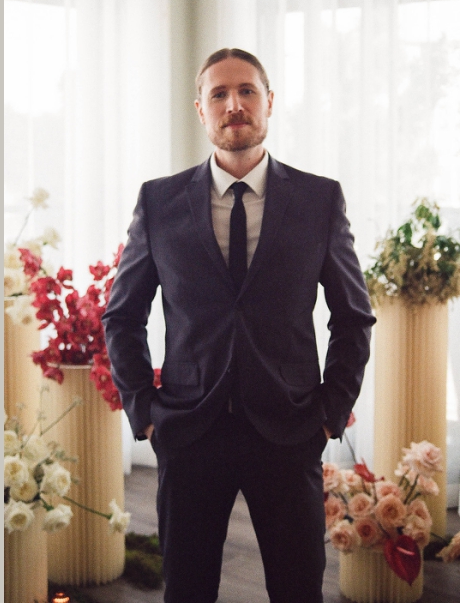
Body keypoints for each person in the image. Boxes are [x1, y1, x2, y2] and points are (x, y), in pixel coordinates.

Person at [103, 48, 375, 602]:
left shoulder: (319, 199)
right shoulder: (158, 201)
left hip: (290, 430)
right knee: (188, 590)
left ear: (269, 102)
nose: (234, 105)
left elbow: (352, 316)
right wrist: (145, 412)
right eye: (219, 94)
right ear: (200, 109)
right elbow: (123, 315)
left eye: (247, 91)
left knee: (298, 589)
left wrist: (329, 413)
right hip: (188, 432)